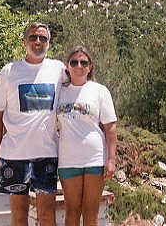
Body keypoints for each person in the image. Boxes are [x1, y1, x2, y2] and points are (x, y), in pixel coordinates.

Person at [0, 22, 65, 226]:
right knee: (19, 216)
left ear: (49, 43)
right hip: (14, 155)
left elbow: (81, 86)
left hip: (46, 155)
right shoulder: (9, 71)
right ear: (24, 42)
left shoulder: (59, 70)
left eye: (43, 38)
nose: (38, 41)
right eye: (33, 37)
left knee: (47, 215)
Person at [56, 46, 117, 226]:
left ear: (90, 67)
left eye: (84, 62)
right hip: (68, 160)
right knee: (72, 212)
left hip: (94, 159)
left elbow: (111, 127)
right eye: (74, 62)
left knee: (91, 215)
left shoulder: (100, 91)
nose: (79, 66)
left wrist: (111, 159)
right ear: (68, 66)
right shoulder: (60, 91)